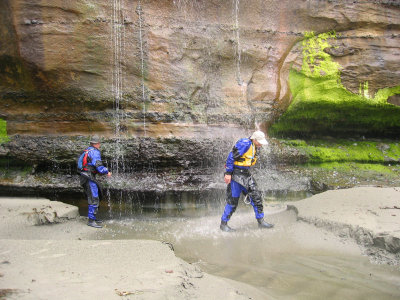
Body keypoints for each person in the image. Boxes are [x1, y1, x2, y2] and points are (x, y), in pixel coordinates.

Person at [220, 130, 274, 232]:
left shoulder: (255, 147)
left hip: (246, 174)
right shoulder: (244, 143)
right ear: (254, 139)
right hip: (236, 175)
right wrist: (228, 173)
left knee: (256, 196)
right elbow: (231, 157)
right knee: (233, 200)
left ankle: (261, 221)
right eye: (260, 142)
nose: (261, 144)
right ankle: (223, 224)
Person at [79, 135, 111, 228]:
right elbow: (98, 166)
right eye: (99, 143)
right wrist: (107, 171)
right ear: (97, 144)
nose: (99, 145)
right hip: (88, 177)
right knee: (94, 197)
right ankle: (91, 220)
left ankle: (93, 217)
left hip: (85, 176)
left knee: (93, 195)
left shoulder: (87, 150)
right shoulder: (94, 152)